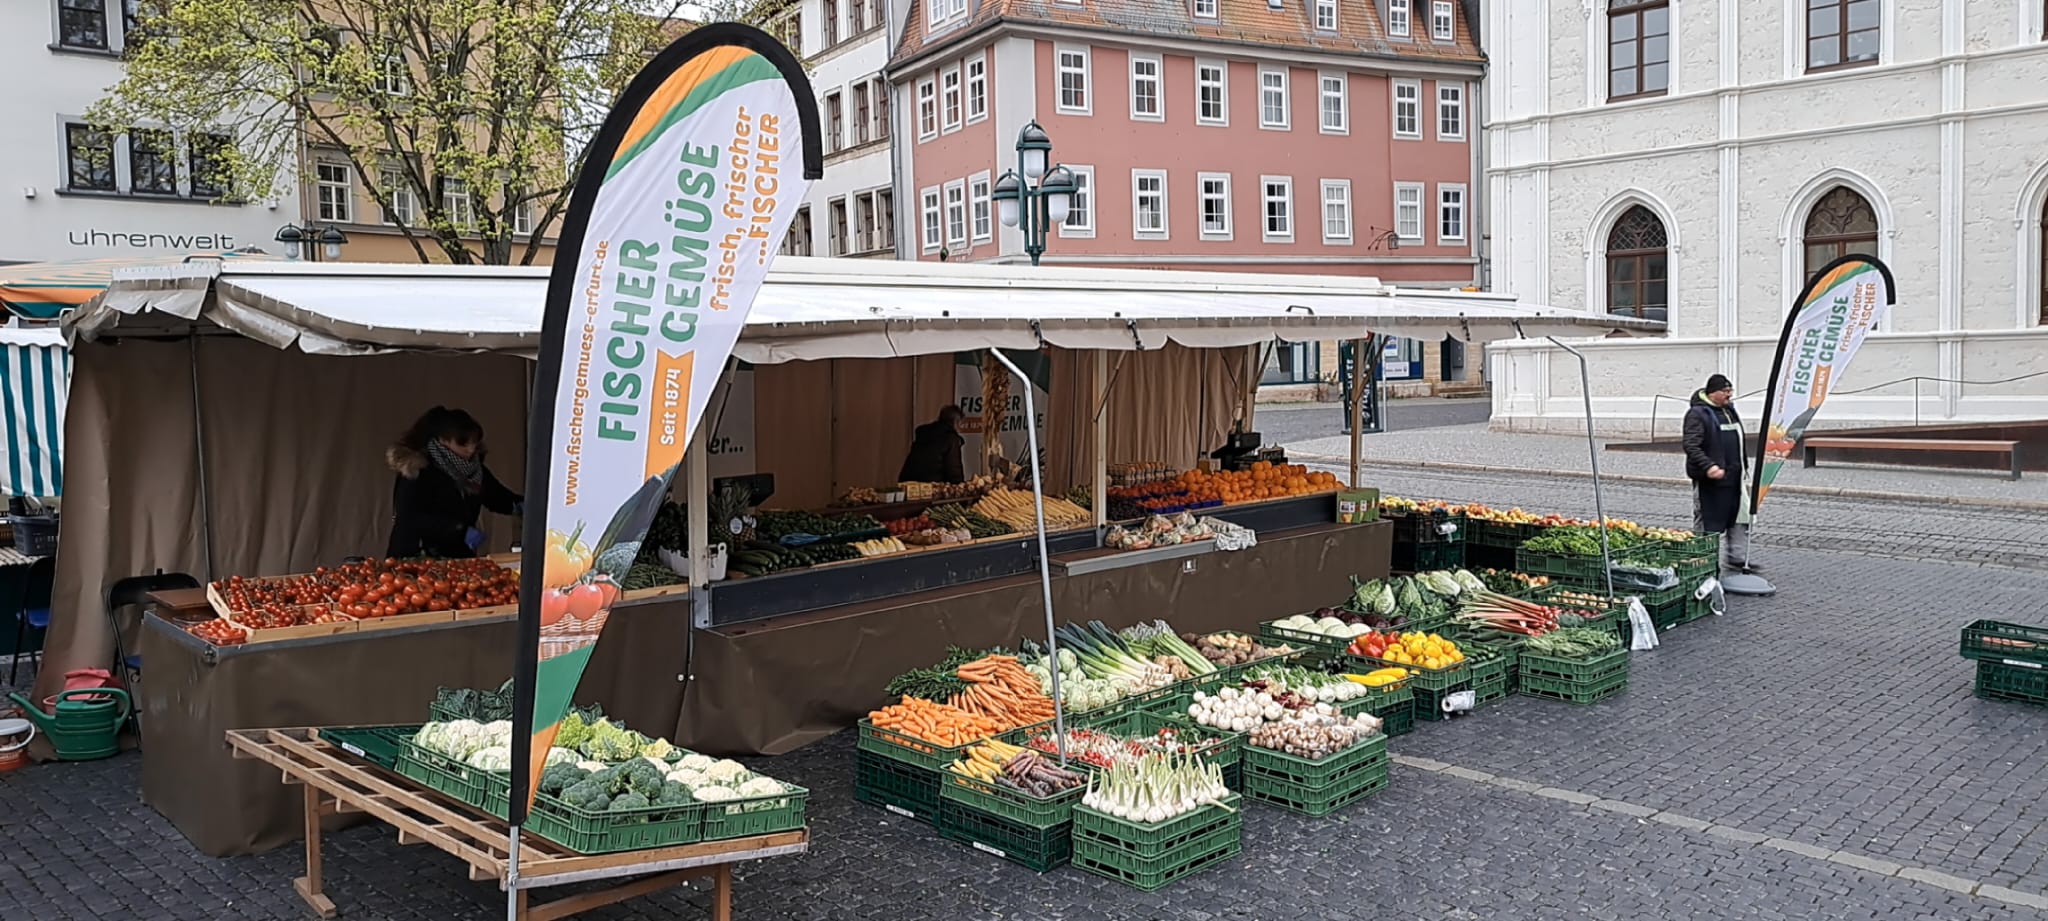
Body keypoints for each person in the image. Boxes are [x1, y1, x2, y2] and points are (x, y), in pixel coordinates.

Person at [385, 407, 523, 559]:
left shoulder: (474, 470)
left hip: (457, 554)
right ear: (443, 440)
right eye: (463, 443)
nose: (471, 449)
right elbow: (409, 517)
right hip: (415, 553)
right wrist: (459, 530)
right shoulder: (416, 469)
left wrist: (520, 505)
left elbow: (496, 496)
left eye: (475, 442)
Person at [1682, 374, 1756, 574]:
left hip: (1734, 478)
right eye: (1725, 391)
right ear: (1712, 393)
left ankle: (1737, 558)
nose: (1729, 395)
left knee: (1739, 517)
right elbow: (1691, 445)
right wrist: (1709, 466)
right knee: (1709, 520)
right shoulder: (1697, 414)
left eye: (1730, 390)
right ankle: (1703, 559)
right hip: (1710, 480)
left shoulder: (1729, 410)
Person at [899, 405, 967, 484]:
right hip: (931, 484)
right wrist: (960, 485)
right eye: (960, 424)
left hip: (907, 481)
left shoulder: (924, 433)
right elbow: (954, 469)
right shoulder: (950, 438)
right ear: (956, 422)